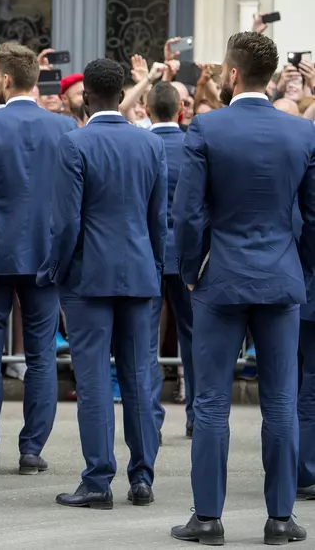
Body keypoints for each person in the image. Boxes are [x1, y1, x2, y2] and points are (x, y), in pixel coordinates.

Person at [171, 31, 315, 545]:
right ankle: (280, 519)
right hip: (280, 277)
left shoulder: (206, 127)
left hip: (220, 276)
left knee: (210, 402)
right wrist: (300, 268)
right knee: (280, 401)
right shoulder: (301, 133)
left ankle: (208, 518)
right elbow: (314, 217)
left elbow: (186, 214)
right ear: (271, 76)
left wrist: (190, 269)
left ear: (231, 74)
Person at [39, 58, 166, 510]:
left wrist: (56, 268)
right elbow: (158, 221)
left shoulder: (74, 143)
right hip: (139, 273)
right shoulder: (150, 146)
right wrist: (154, 267)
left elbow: (67, 221)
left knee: (93, 381)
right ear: (123, 94)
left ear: (87, 97)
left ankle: (97, 481)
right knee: (138, 378)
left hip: (88, 275)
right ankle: (143, 477)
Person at [0, 42, 77, 475]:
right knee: (42, 352)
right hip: (46, 251)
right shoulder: (63, 127)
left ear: (6, 80)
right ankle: (31, 449)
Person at [145, 82, 195, 440]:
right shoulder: (192, 144)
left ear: (147, 111)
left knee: (145, 340)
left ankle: (151, 418)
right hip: (186, 251)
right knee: (194, 337)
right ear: (180, 111)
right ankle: (196, 413)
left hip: (147, 249)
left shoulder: (141, 144)